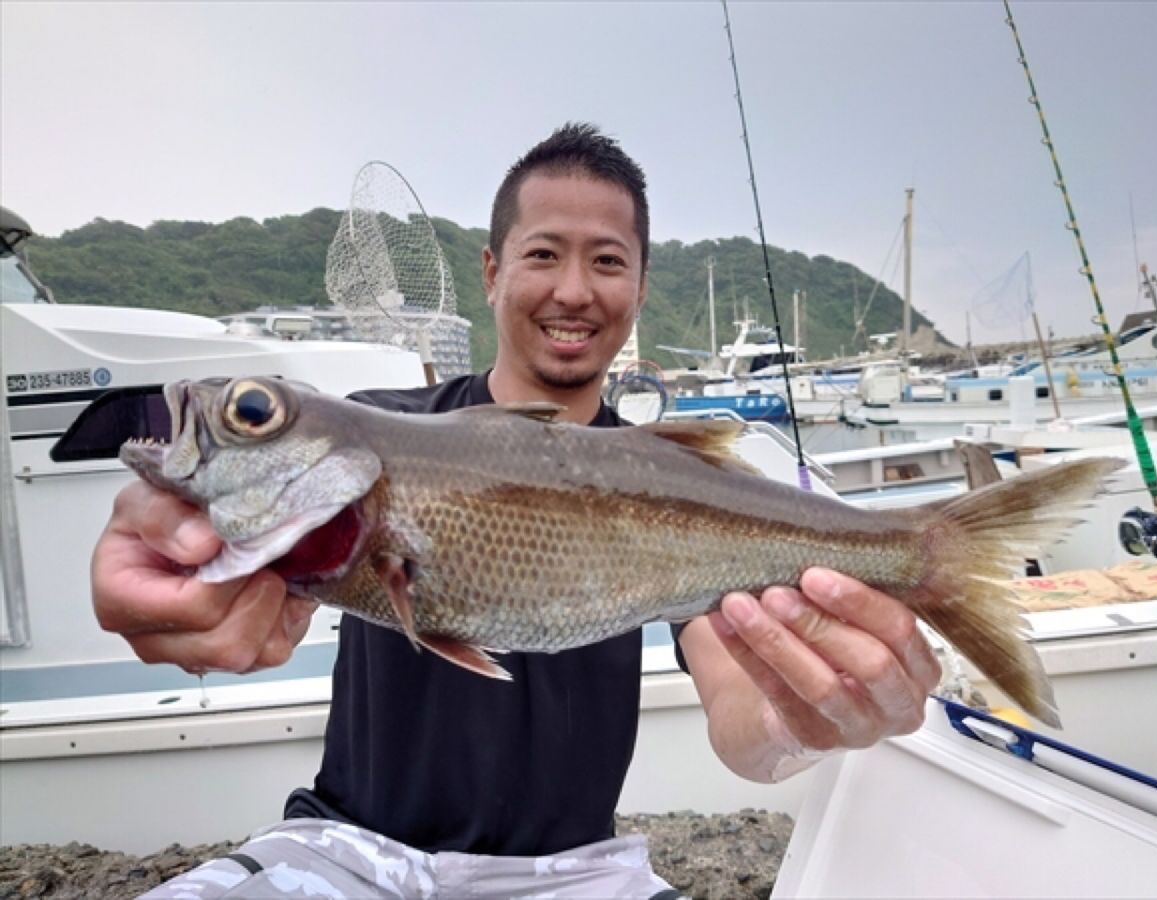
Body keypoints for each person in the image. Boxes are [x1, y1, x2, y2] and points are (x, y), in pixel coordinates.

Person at [92, 123, 940, 899]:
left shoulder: (670, 480)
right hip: (344, 852)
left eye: (607, 261)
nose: (574, 290)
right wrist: (166, 542)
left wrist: (801, 720)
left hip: (578, 878)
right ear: (492, 271)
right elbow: (212, 530)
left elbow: (739, 711)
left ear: (640, 287)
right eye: (543, 254)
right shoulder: (381, 427)